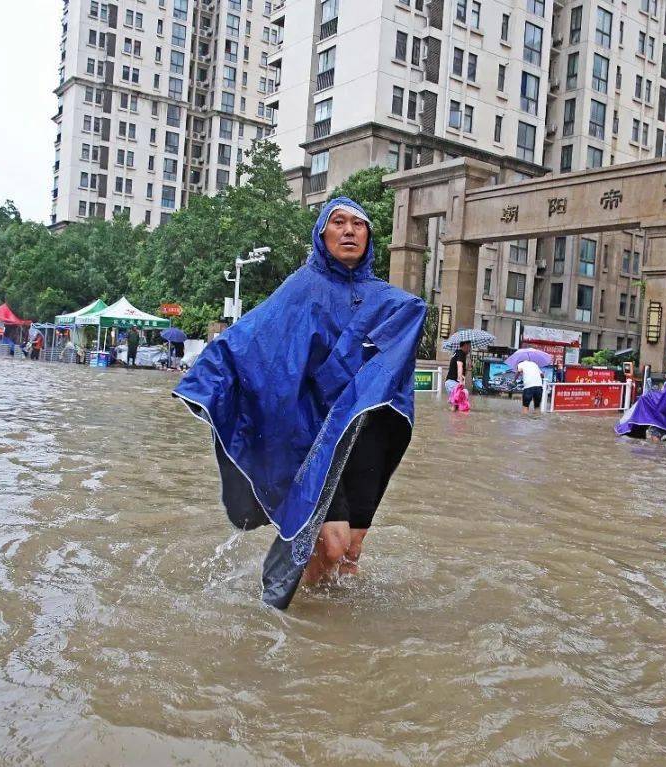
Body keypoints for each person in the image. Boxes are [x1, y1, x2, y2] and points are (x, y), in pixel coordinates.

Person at [173, 197, 426, 610]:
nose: (349, 231)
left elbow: (393, 359)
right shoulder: (302, 287)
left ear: (369, 236)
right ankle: (302, 612)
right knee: (331, 541)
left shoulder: (388, 300)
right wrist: (205, 381)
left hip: (364, 433)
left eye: (358, 224)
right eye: (338, 222)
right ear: (322, 233)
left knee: (352, 549)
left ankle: (334, 626)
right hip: (313, 433)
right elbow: (251, 341)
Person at [446, 340, 470, 409]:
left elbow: (461, 369)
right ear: (465, 345)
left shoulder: (457, 353)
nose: (470, 349)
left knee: (457, 405)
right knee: (459, 405)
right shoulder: (461, 353)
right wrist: (461, 381)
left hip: (449, 383)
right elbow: (459, 365)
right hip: (453, 383)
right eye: (469, 346)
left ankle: (452, 418)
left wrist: (467, 368)